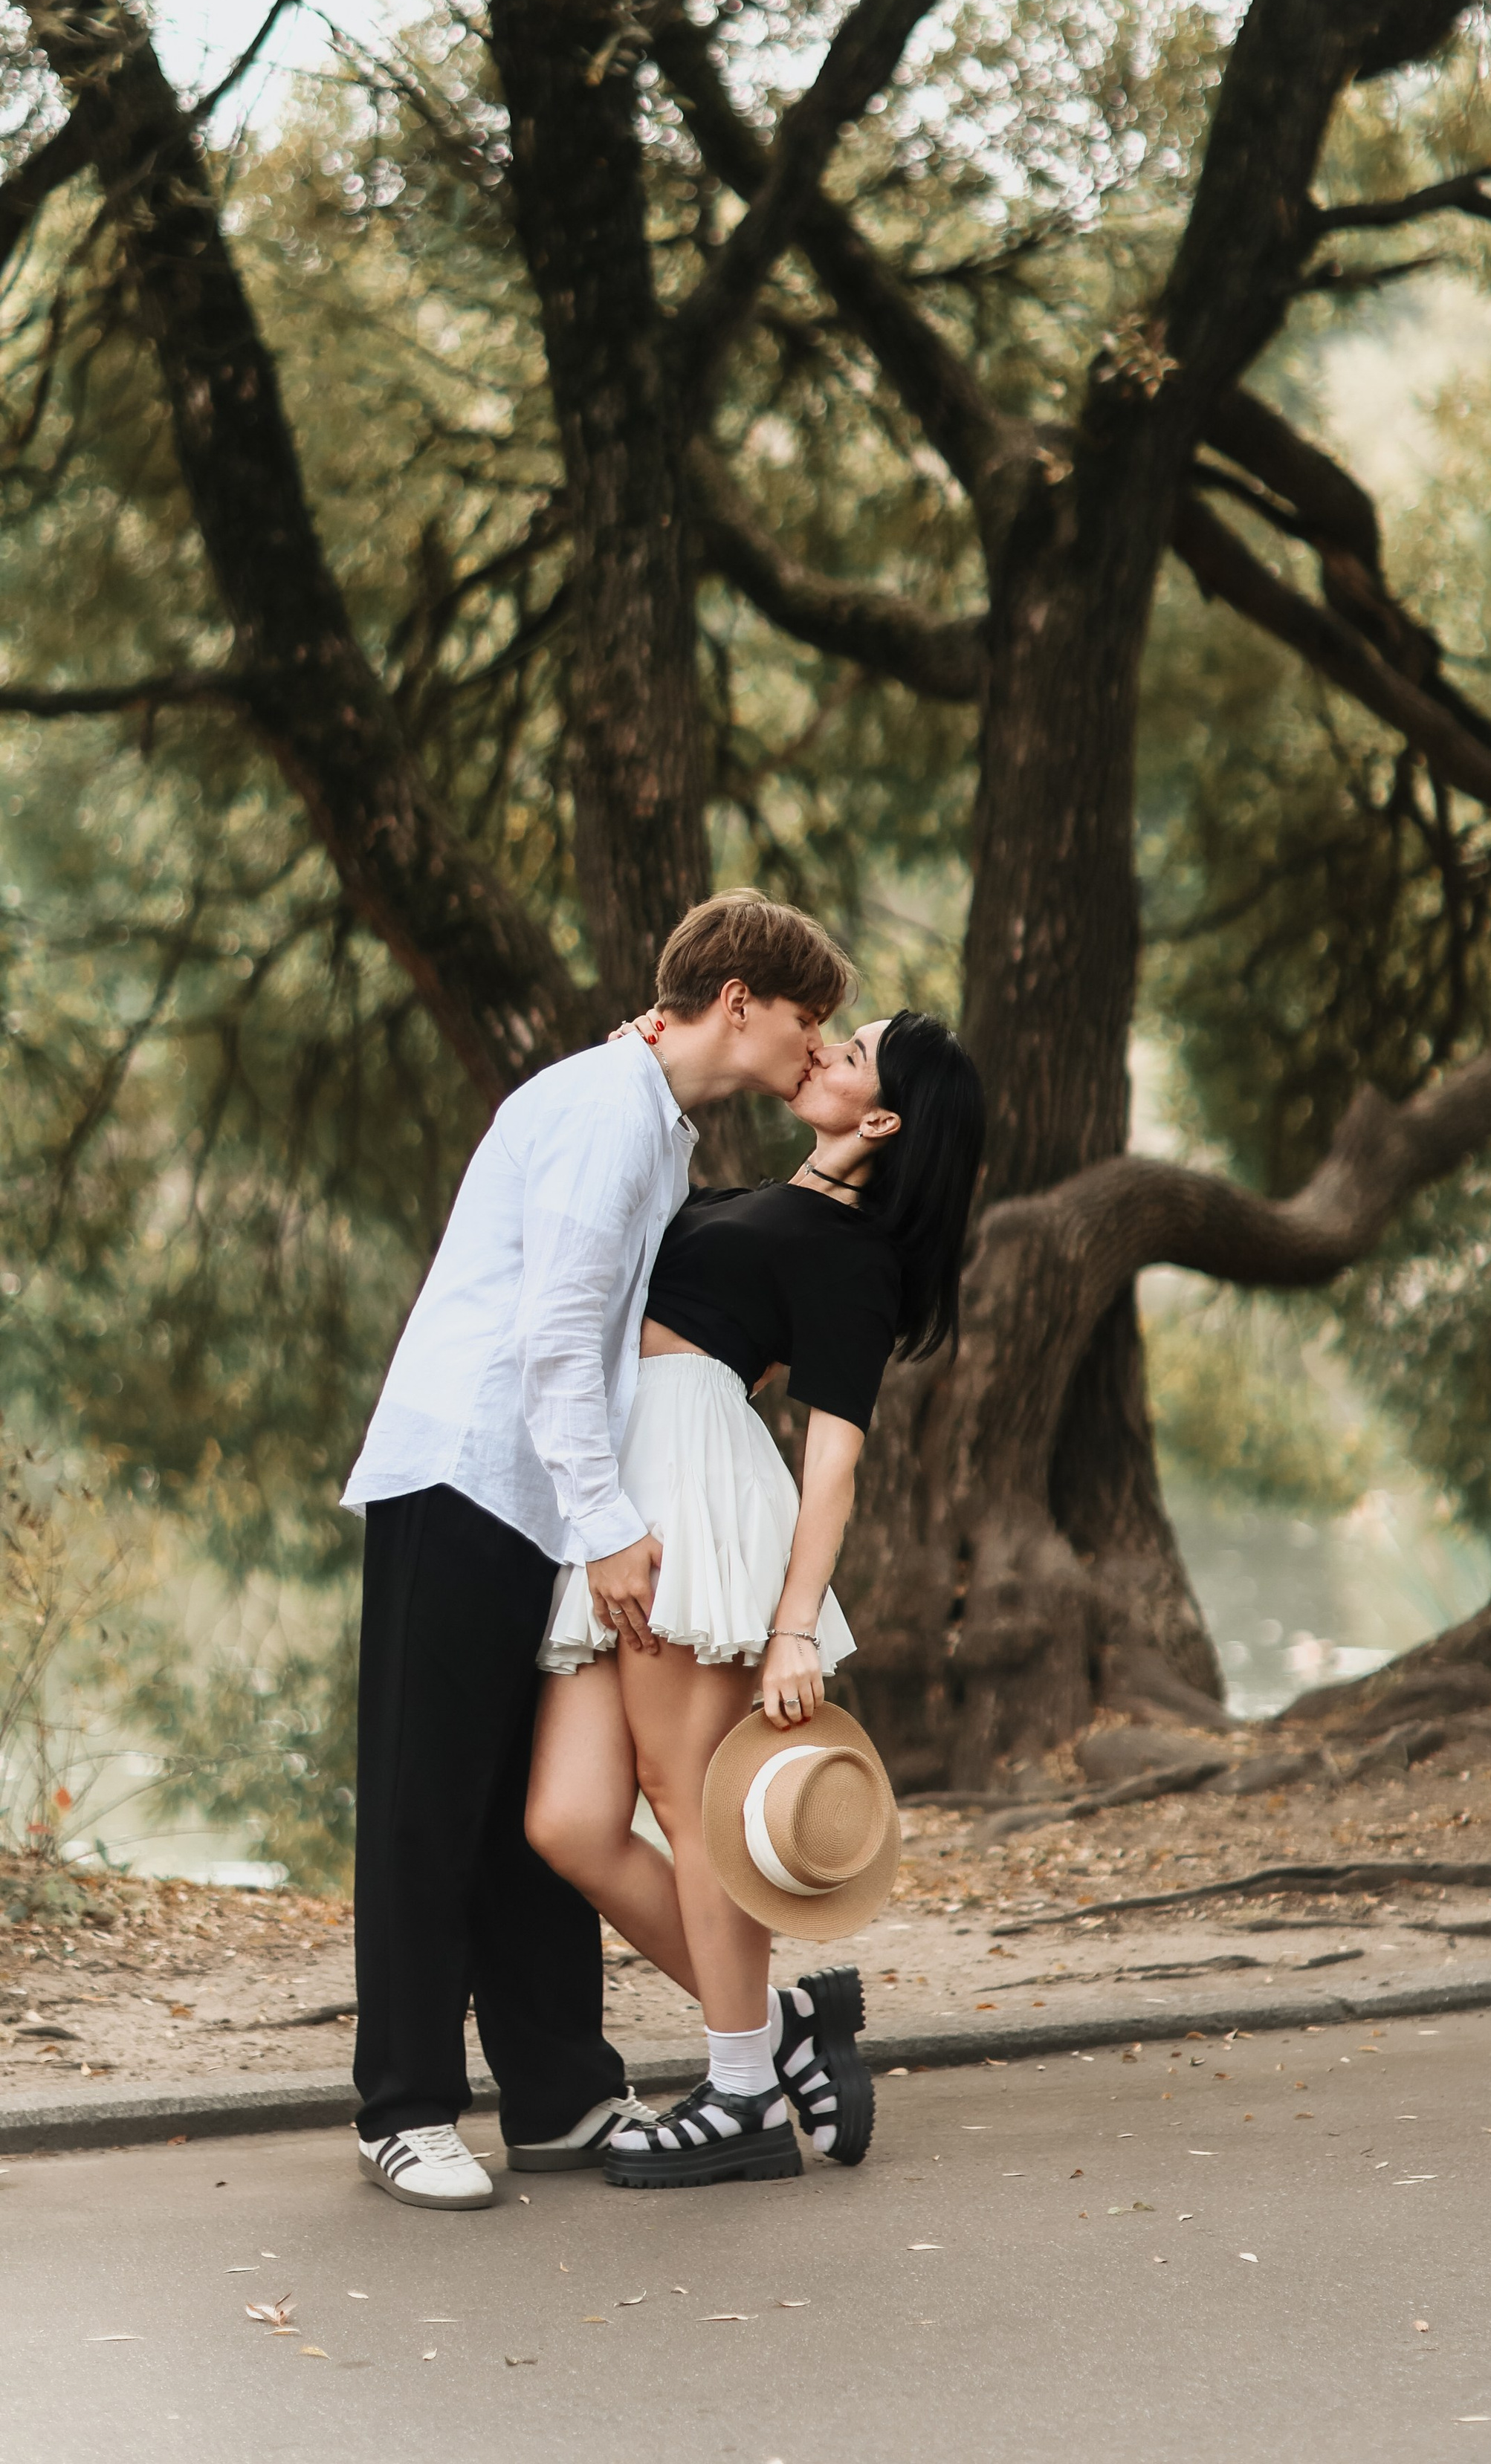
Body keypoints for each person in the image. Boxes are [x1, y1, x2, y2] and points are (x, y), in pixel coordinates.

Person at [341, 891, 855, 2212]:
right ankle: (401, 2108)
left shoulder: (650, 1124)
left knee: (536, 1812)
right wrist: (613, 1526)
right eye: (809, 1017)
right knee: (426, 1799)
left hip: (541, 1496)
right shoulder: (602, 1110)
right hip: (469, 1474)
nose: (818, 1044)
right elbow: (557, 1339)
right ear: (738, 1001)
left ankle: (561, 2091)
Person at [523, 1008, 985, 2188]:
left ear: (880, 1117)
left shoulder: (857, 1254)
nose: (824, 1047)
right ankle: (780, 2032)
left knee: (691, 1809)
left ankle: (738, 2094)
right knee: (570, 1822)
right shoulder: (771, 1198)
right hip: (619, 1495)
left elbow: (833, 1460)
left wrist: (791, 1630)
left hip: (690, 1493)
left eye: (852, 1051)